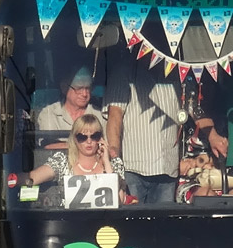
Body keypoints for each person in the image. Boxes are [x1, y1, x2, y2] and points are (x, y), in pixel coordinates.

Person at [105, 58, 181, 203]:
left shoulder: (175, 71)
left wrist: (213, 135)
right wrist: (114, 151)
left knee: (163, 224)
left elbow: (192, 106)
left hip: (167, 169)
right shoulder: (124, 71)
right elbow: (115, 114)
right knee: (132, 222)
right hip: (134, 169)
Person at [26, 114, 127, 204]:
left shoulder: (114, 163)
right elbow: (33, 177)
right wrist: (13, 180)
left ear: (100, 138)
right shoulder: (63, 160)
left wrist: (107, 163)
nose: (89, 141)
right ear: (74, 139)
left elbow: (120, 200)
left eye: (94, 136)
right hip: (68, 222)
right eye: (82, 137)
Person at [35, 67, 104, 149]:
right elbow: (49, 146)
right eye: (79, 88)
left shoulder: (99, 115)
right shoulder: (49, 113)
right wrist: (85, 146)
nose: (85, 94)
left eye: (88, 88)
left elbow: (104, 145)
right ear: (64, 87)